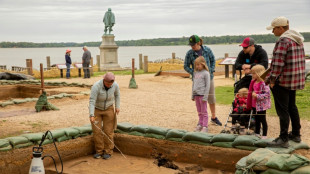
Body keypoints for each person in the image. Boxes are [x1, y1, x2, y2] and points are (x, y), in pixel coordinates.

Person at [265, 16, 305, 147]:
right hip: (294, 80)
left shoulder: (283, 41)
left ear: (281, 28)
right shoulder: (297, 39)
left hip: (282, 81)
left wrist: (272, 80)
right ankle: (296, 134)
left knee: (282, 109)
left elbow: (277, 64)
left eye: (274, 29)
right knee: (292, 106)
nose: (272, 32)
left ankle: (283, 138)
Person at [184, 35, 222, 126]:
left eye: (193, 45)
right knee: (199, 99)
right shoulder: (189, 53)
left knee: (211, 98)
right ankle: (201, 120)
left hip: (209, 77)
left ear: (199, 43)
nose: (192, 47)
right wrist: (193, 73)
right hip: (197, 80)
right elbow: (185, 66)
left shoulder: (207, 50)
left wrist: (211, 70)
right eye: (191, 45)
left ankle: (213, 117)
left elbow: (213, 60)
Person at [89, 72, 120, 159]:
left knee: (108, 131)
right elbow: (92, 101)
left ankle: (108, 151)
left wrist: (117, 106)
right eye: (108, 84)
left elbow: (117, 95)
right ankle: (99, 151)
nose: (109, 85)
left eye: (111, 84)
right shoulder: (96, 86)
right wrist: (91, 115)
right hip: (97, 110)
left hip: (109, 109)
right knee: (97, 131)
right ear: (104, 80)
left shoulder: (115, 85)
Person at [247, 65, 271, 139]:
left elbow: (267, 94)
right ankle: (257, 133)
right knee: (256, 119)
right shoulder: (254, 82)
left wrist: (257, 96)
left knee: (262, 119)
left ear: (258, 73)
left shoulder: (264, 83)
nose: (252, 75)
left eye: (253, 73)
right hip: (255, 105)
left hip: (262, 105)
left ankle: (264, 135)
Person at [192, 56, 210, 133]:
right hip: (196, 95)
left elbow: (208, 85)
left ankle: (205, 126)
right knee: (199, 111)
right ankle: (200, 124)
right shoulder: (195, 73)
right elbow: (193, 84)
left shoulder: (206, 73)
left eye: (199, 64)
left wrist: (205, 96)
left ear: (203, 64)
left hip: (202, 95)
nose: (197, 66)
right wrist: (192, 95)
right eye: (196, 65)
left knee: (204, 111)